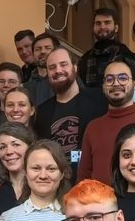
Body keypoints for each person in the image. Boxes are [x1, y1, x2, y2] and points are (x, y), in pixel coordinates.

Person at [77, 57, 135, 184]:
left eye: (123, 78)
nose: (116, 83)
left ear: (134, 84)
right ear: (103, 86)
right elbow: (83, 178)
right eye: (109, 79)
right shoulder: (93, 128)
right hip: (101, 202)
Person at [34, 47, 108, 175]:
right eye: (52, 67)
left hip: (91, 182)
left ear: (75, 67)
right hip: (56, 183)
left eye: (63, 64)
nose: (58, 70)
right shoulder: (42, 111)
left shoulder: (99, 100)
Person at [0, 121, 36, 219]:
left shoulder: (43, 188)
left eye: (15, 145)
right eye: (3, 147)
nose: (9, 152)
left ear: (30, 148)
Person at [78, 8, 135, 88]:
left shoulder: (126, 55)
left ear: (116, 28)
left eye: (107, 23)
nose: (102, 27)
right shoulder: (85, 59)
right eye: (98, 23)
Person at [24, 33, 59, 107]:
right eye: (38, 49)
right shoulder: (25, 87)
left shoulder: (67, 80)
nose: (42, 51)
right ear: (33, 54)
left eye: (47, 48)